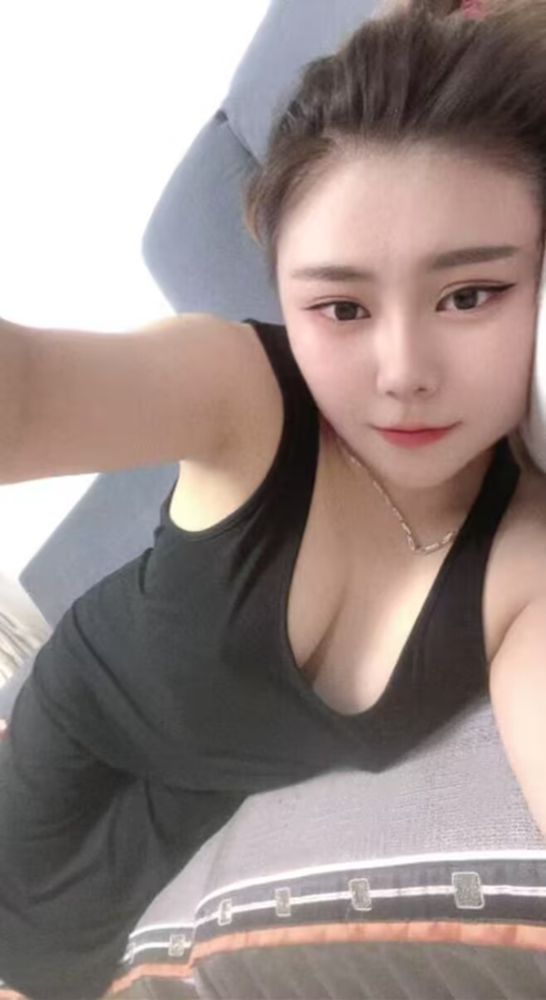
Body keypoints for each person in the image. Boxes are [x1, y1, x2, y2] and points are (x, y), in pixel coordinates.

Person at [1, 0, 546, 996]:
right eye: (340, 307)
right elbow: (28, 393)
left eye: (468, 295)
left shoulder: (524, 558)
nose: (403, 373)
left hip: (201, 825)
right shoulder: (241, 395)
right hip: (69, 767)